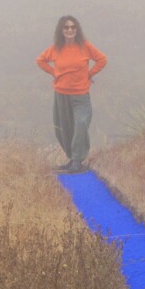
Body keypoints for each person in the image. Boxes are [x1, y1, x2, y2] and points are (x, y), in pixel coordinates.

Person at [36, 15, 107, 173]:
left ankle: (77, 160)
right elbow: (40, 60)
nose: (70, 30)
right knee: (63, 128)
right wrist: (54, 72)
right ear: (61, 30)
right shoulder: (56, 48)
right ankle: (71, 159)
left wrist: (89, 74)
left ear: (77, 29)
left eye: (73, 27)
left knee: (81, 125)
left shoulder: (85, 46)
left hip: (81, 95)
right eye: (66, 27)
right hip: (61, 94)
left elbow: (102, 59)